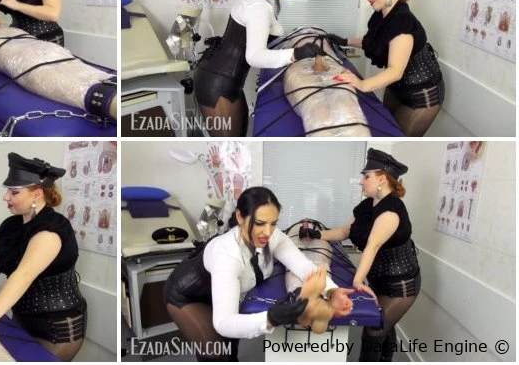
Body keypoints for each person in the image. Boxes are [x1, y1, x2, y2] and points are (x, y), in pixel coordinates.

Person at [164, 187, 354, 362]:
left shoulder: (274, 236)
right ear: (239, 216)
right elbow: (224, 323)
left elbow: (303, 266)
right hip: (188, 296)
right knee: (216, 353)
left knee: (231, 348)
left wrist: (332, 291)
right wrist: (271, 318)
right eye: (260, 223)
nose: (268, 232)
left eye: (273, 223)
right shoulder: (227, 255)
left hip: (223, 292)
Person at [0, 153, 86, 361]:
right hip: (22, 318)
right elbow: (4, 258)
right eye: (7, 191)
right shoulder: (14, 225)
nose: (6, 197)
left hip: (57, 329)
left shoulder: (49, 231)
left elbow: (24, 274)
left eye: (14, 192)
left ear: (37, 194)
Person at [193, 0, 324, 136]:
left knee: (239, 139)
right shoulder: (258, 6)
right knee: (230, 145)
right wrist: (296, 53)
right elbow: (254, 56)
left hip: (222, 77)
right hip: (219, 83)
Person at [302, 149, 419, 362]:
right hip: (378, 280)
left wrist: (357, 281)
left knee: (374, 330)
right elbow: (343, 232)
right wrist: (316, 234)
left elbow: (372, 247)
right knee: (385, 326)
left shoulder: (391, 212)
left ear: (382, 179)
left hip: (400, 285)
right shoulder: (367, 205)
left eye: (366, 176)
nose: (361, 181)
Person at [328, 0, 444, 136]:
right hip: (396, 88)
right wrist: (344, 41)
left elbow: (395, 71)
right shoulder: (381, 15)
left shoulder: (402, 21)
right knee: (385, 127)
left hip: (422, 94)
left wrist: (362, 84)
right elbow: (373, 42)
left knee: (397, 135)